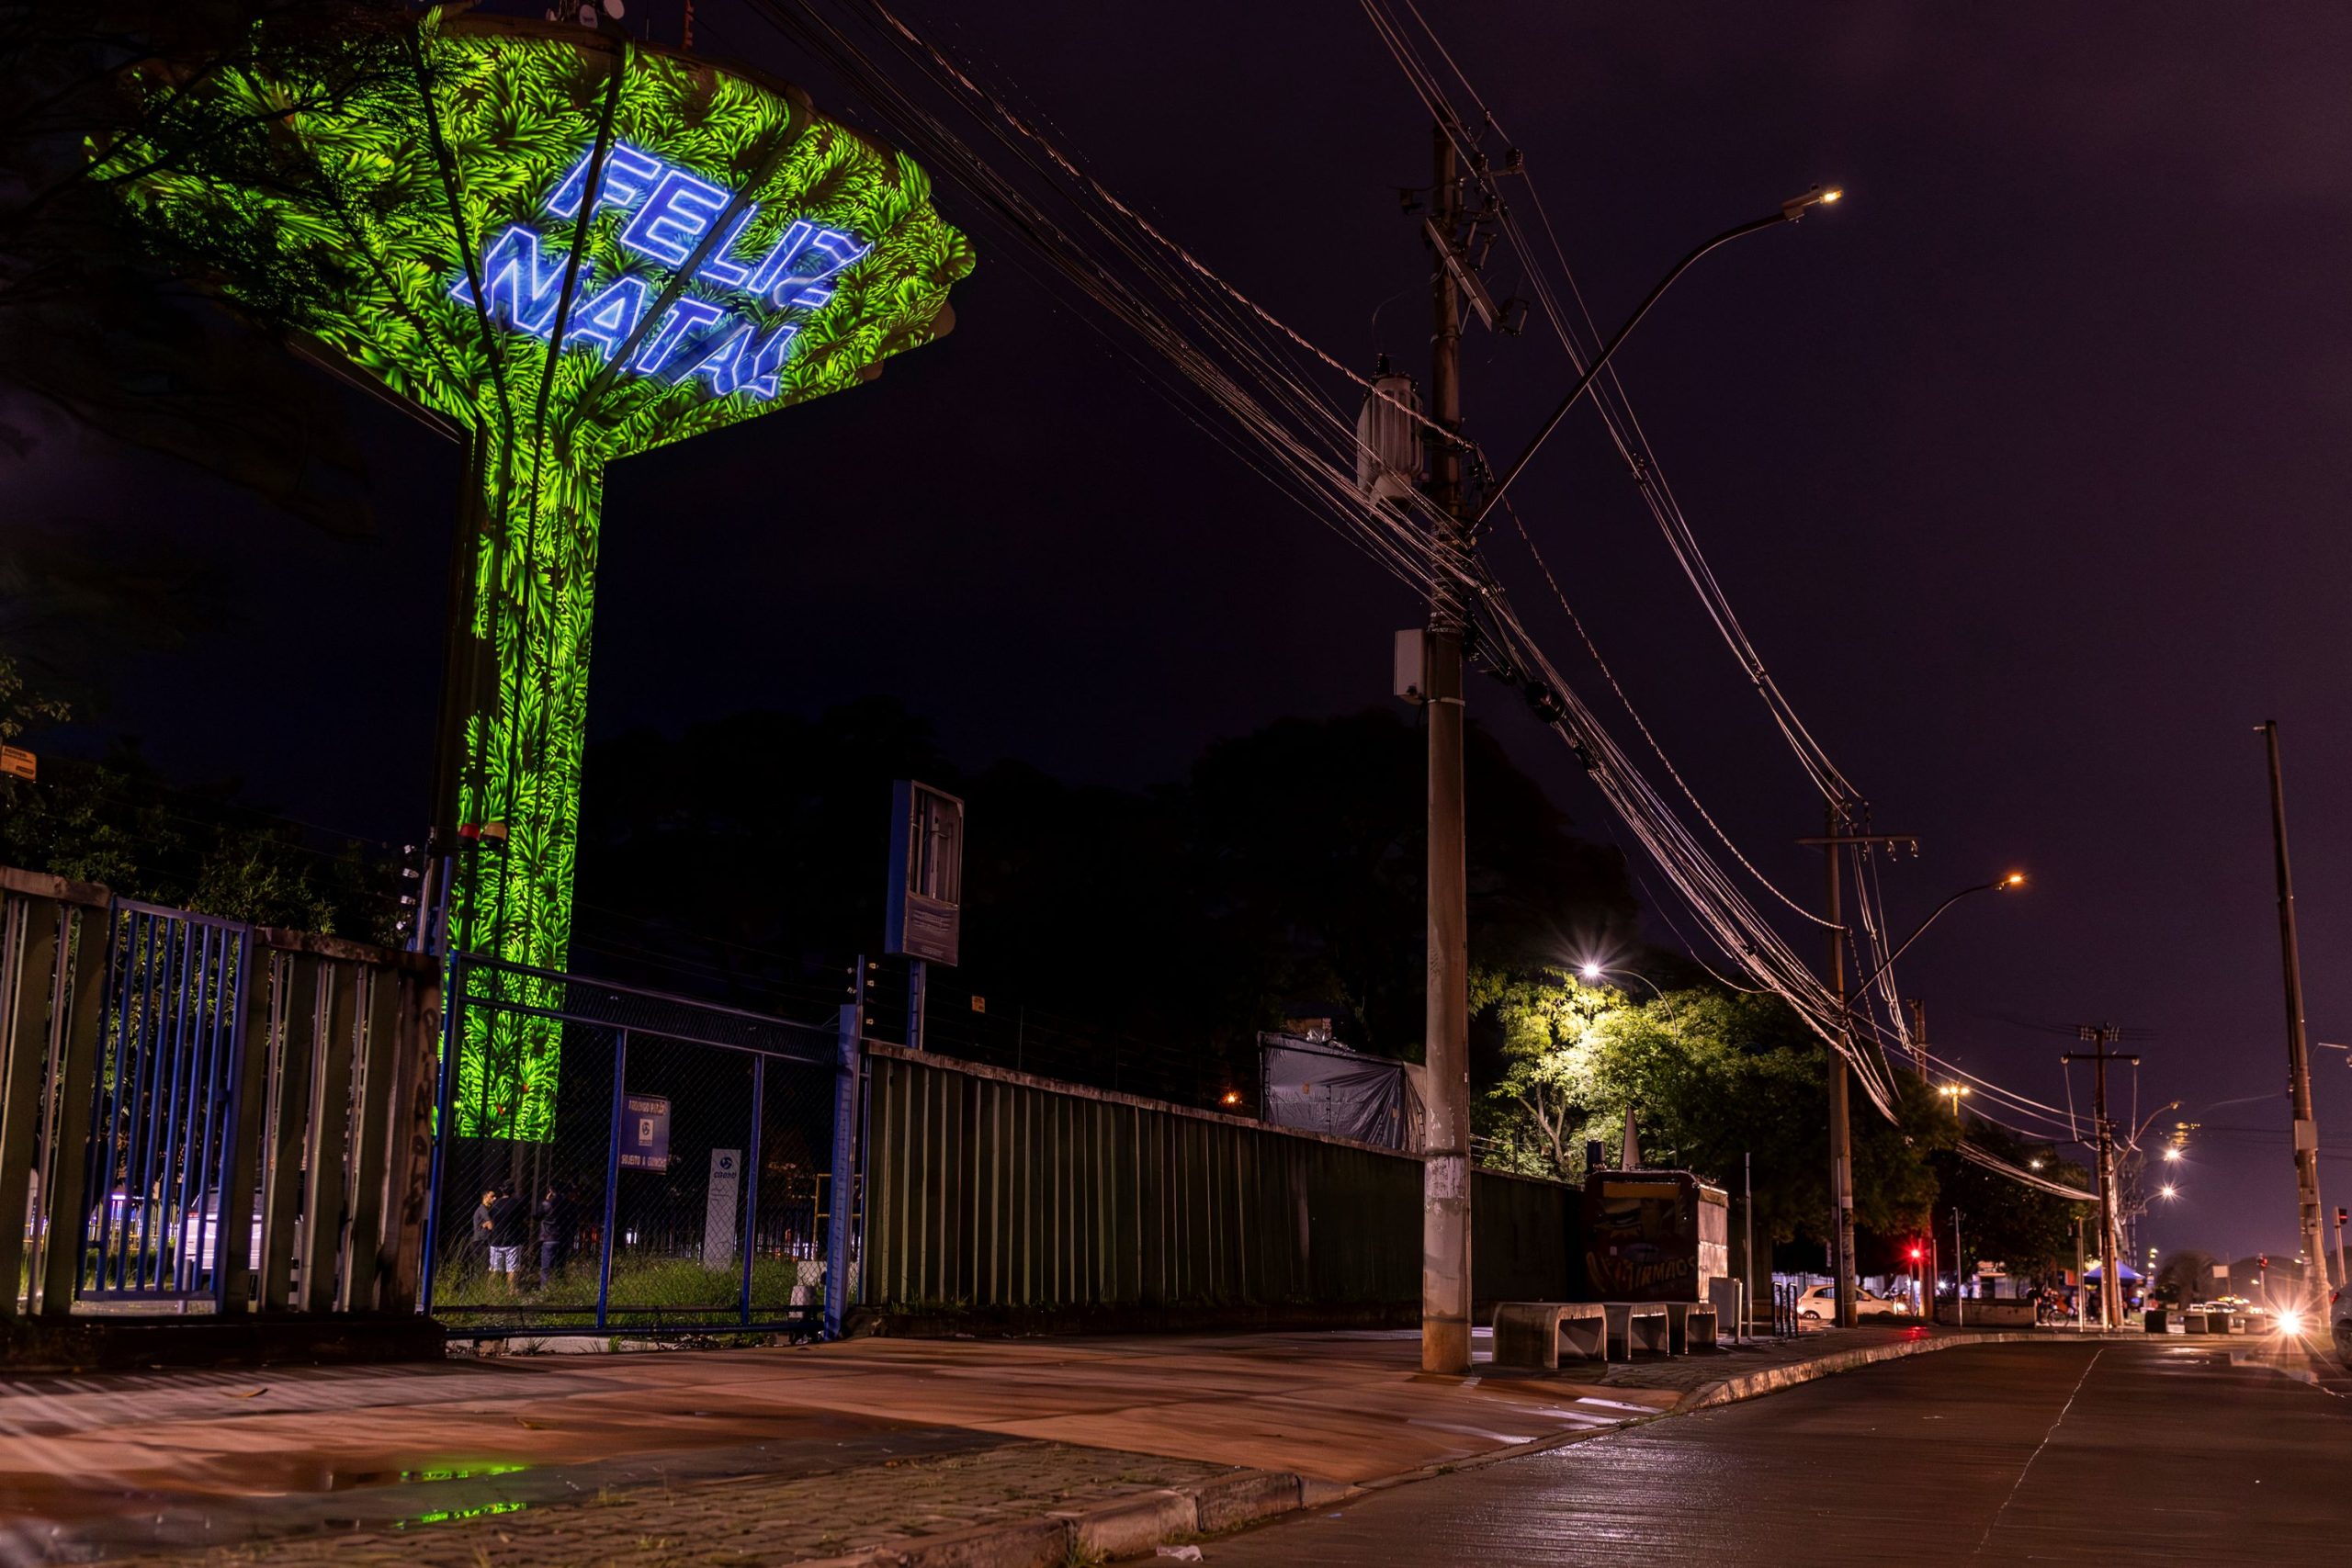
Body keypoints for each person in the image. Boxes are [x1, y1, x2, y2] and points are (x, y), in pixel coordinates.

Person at [488, 1184, 528, 1294]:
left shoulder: (496, 1204)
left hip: (497, 1239)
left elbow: (491, 1217)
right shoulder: (516, 1203)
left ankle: (492, 1290)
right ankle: (511, 1290)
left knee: (495, 1269)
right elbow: (523, 1218)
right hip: (512, 1239)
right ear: (513, 1192)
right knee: (512, 1268)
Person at [537, 1183, 573, 1285]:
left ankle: (545, 1288)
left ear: (551, 1191)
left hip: (549, 1236)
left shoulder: (547, 1204)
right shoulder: (568, 1203)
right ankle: (559, 1285)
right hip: (563, 1237)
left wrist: (546, 1200)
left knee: (546, 1267)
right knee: (560, 1265)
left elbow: (537, 1215)